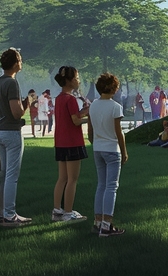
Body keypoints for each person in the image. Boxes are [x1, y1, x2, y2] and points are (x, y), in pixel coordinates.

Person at [0, 47, 37, 226]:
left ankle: (0, 213)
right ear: (15, 63)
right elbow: (17, 113)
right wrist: (28, 102)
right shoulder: (11, 83)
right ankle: (9, 214)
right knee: (12, 175)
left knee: (5, 173)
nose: (21, 62)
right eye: (20, 60)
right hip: (11, 131)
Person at [88, 72, 128, 237]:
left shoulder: (93, 105)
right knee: (112, 186)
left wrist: (94, 142)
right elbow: (119, 133)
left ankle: (98, 222)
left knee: (101, 185)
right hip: (112, 149)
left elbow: (90, 130)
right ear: (114, 89)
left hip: (98, 148)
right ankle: (107, 225)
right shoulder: (115, 107)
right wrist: (124, 151)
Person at [52, 65, 90, 223]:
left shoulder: (60, 98)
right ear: (69, 81)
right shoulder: (71, 99)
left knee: (62, 178)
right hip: (73, 142)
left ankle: (57, 211)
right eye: (76, 78)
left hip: (60, 142)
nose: (78, 80)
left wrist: (85, 110)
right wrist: (90, 118)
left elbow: (72, 116)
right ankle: (68, 212)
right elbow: (76, 121)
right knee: (72, 179)